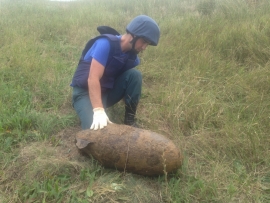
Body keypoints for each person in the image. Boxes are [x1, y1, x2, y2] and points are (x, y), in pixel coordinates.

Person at [70, 15, 160, 130]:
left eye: (147, 44)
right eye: (144, 42)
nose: (144, 47)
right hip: (84, 93)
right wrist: (98, 110)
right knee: (94, 132)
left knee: (134, 75)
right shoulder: (104, 44)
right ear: (133, 35)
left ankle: (129, 120)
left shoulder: (133, 58)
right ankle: (91, 109)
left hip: (105, 91)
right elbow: (93, 78)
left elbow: (122, 80)